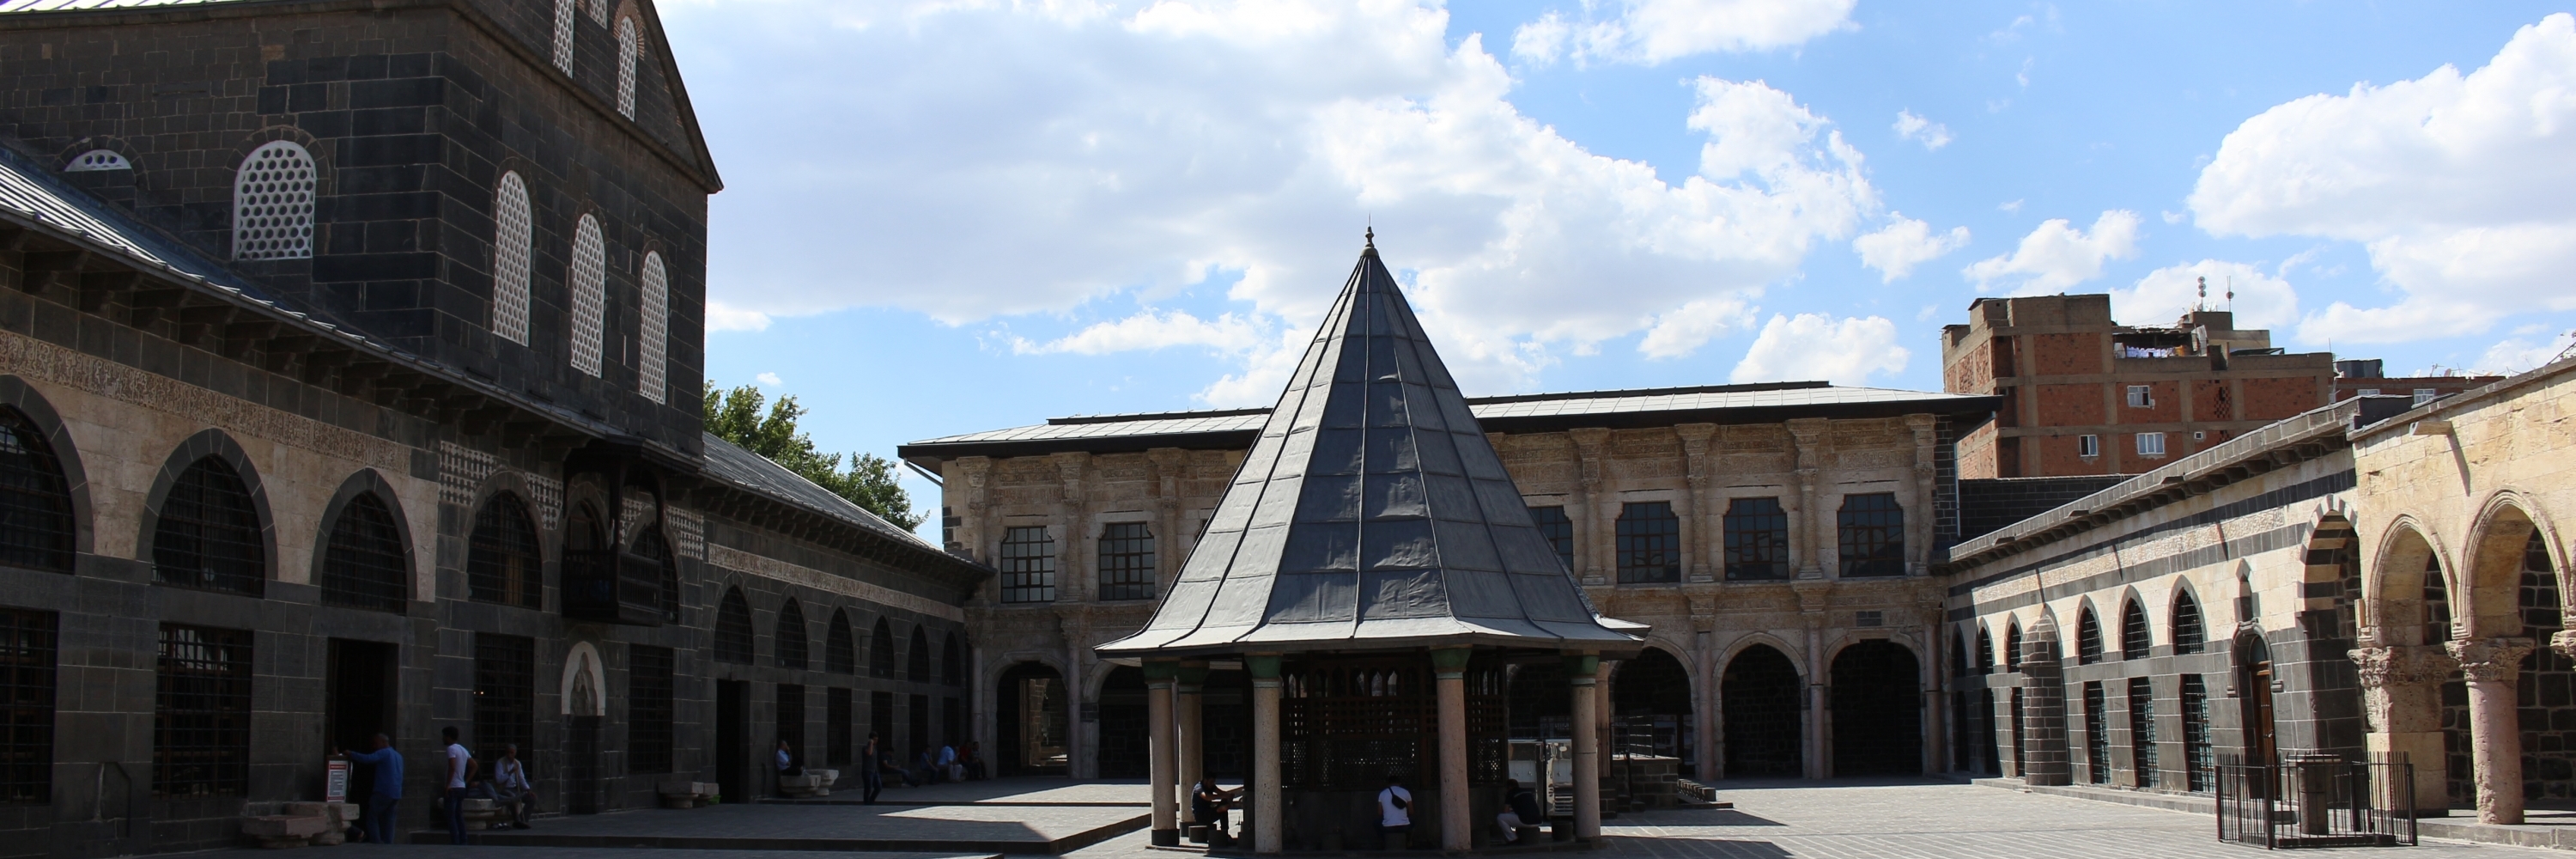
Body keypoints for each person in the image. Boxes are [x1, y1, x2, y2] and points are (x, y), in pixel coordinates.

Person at [342, 734, 404, 846]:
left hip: (383, 791)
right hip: (395, 793)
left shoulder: (384, 753)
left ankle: (376, 841)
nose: (374, 746)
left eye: (376, 743)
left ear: (383, 742)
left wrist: (351, 754)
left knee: (372, 817)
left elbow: (368, 759)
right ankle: (388, 842)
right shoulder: (398, 755)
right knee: (390, 820)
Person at [442, 726, 476, 845]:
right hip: (461, 786)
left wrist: (447, 785)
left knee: (451, 816)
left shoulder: (451, 749)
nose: (443, 738)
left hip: (453, 787)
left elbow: (452, 766)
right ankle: (463, 840)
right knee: (459, 815)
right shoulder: (463, 749)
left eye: (444, 736)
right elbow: (474, 766)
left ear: (448, 736)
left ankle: (455, 841)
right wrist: (465, 781)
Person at [491, 744, 536, 829]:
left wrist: (528, 789)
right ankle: (517, 820)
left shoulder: (517, 764)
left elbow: (521, 779)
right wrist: (510, 772)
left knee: (532, 798)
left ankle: (523, 820)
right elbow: (498, 780)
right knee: (512, 797)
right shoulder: (500, 763)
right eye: (508, 753)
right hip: (504, 789)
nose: (509, 755)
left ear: (515, 753)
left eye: (511, 753)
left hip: (514, 788)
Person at [1192, 776, 1239, 841]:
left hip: (1209, 811)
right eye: (1211, 782)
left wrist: (1228, 795)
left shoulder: (1211, 786)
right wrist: (1221, 796)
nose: (1212, 784)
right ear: (1205, 780)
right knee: (1221, 809)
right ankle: (1219, 810)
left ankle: (1225, 831)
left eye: (1213, 782)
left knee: (1224, 807)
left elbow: (1221, 792)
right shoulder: (1199, 788)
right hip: (1201, 815)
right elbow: (1206, 797)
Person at [1497, 778, 1543, 844]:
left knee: (1501, 817)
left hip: (1525, 821)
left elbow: (1506, 811)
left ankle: (1513, 839)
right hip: (1538, 820)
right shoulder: (1527, 792)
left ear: (1509, 787)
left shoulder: (1511, 793)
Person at [1376, 774, 1412, 848]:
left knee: (1376, 823)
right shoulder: (1406, 792)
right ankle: (1408, 841)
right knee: (1413, 822)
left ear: (1388, 784)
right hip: (1404, 827)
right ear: (1399, 783)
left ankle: (1382, 842)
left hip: (1387, 828)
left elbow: (1379, 813)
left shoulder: (1382, 794)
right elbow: (1411, 811)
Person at [860, 732, 884, 804]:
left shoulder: (875, 748)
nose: (876, 741)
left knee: (878, 787)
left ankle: (871, 800)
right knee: (868, 788)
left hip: (874, 771)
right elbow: (869, 753)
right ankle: (866, 802)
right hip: (867, 771)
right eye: (875, 739)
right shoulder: (866, 747)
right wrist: (870, 743)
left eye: (877, 739)